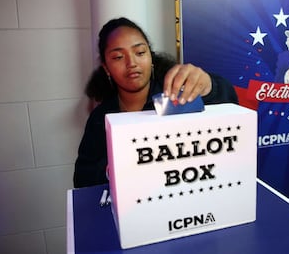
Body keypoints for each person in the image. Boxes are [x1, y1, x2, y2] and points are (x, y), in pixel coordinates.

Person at [74, 17, 238, 188]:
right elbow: (83, 179)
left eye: (140, 53)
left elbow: (227, 101)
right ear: (106, 68)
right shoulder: (100, 118)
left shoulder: (174, 98)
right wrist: (112, 170)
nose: (132, 63)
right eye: (118, 57)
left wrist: (208, 86)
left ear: (150, 57)